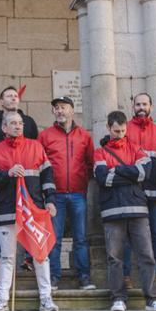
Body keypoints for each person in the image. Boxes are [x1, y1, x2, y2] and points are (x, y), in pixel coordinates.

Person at [0, 111, 58, 311]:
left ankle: (46, 298)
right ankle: (2, 299)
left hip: (35, 210)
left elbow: (48, 176)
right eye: (13, 123)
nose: (18, 126)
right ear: (4, 128)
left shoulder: (36, 146)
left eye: (20, 123)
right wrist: (7, 174)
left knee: (41, 256)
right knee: (7, 257)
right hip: (7, 210)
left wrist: (50, 200)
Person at [94, 110, 156, 311]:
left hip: (137, 210)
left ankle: (152, 299)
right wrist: (130, 172)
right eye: (116, 131)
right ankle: (118, 298)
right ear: (108, 128)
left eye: (123, 130)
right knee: (114, 258)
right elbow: (102, 178)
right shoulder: (99, 152)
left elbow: (144, 173)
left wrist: (116, 170)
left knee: (146, 255)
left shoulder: (136, 148)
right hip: (112, 211)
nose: (120, 134)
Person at [38, 96, 95, 290]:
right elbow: (41, 164)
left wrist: (82, 180)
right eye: (56, 108)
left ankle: (84, 277)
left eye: (63, 107)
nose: (59, 111)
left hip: (78, 193)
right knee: (55, 238)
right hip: (55, 195)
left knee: (80, 238)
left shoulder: (84, 136)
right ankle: (53, 276)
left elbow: (90, 163)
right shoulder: (45, 136)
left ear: (72, 110)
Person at [0, 86, 39, 271]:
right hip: (0, 178)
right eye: (8, 96)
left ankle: (29, 257)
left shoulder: (28, 122)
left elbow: (34, 146)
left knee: (29, 216)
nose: (13, 98)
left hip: (25, 178)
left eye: (15, 95)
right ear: (1, 101)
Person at [123, 93, 156, 288]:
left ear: (151, 106)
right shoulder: (126, 130)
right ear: (132, 106)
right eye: (138, 104)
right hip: (133, 193)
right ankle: (126, 276)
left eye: (145, 104)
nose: (141, 107)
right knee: (127, 236)